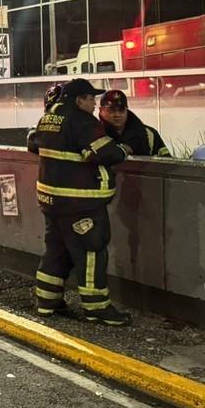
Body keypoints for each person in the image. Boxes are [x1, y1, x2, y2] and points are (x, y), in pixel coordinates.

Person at [27, 78, 133, 325]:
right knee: (92, 251)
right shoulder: (82, 120)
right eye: (90, 99)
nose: (94, 104)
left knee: (57, 249)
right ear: (79, 100)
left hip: (51, 200)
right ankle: (97, 307)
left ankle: (47, 301)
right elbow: (104, 152)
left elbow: (34, 143)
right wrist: (123, 150)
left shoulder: (49, 117)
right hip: (80, 203)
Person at [98, 89, 170, 157]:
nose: (117, 115)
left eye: (121, 110)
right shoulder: (94, 134)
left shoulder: (149, 134)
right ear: (101, 110)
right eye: (112, 110)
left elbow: (167, 164)